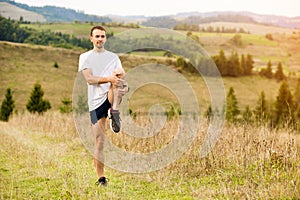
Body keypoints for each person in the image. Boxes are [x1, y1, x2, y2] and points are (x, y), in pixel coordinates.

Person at [78, 25, 128, 186]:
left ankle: (114, 112)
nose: (100, 39)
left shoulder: (113, 57)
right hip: (95, 102)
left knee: (116, 85)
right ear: (91, 39)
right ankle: (101, 178)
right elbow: (90, 79)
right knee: (99, 141)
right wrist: (110, 78)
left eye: (102, 36)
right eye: (97, 36)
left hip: (110, 95)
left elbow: (120, 73)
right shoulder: (85, 57)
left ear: (106, 38)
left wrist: (119, 80)